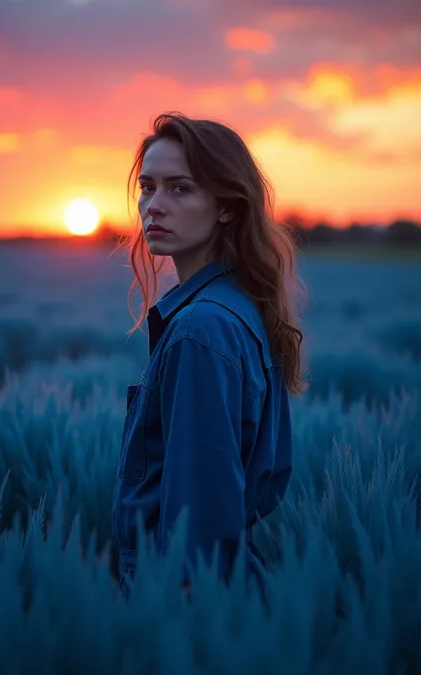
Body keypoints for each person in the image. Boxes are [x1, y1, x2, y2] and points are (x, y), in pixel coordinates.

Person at [111, 111, 306, 602]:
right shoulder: (234, 306)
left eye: (180, 189)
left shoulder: (202, 327)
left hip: (188, 606)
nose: (154, 206)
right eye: (147, 187)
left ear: (225, 207)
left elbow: (197, 526)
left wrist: (186, 635)